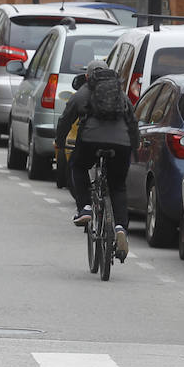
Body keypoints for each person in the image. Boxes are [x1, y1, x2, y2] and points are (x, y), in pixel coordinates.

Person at [55, 60, 138, 260]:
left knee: (77, 166)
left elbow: (66, 119)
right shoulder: (120, 93)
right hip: (121, 144)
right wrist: (134, 146)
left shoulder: (83, 92)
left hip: (91, 141)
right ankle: (120, 228)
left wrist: (60, 142)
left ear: (87, 77)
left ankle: (85, 208)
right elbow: (132, 121)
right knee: (117, 186)